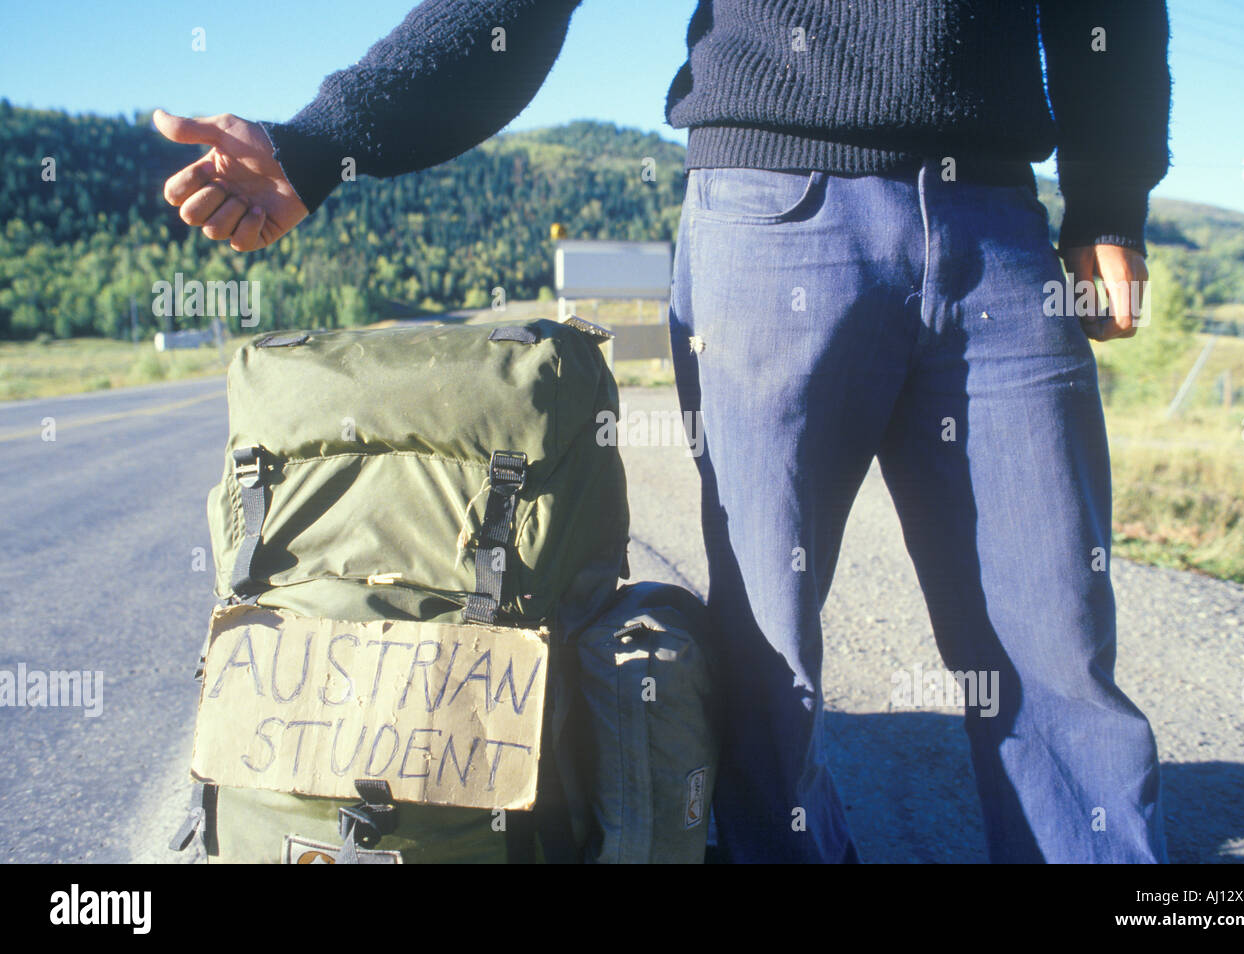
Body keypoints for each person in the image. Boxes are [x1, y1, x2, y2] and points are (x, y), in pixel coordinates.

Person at [155, 0, 1171, 864]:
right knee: (770, 647)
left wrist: (1111, 198)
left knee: (1059, 636)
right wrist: (325, 137)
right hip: (777, 216)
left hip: (999, 227)